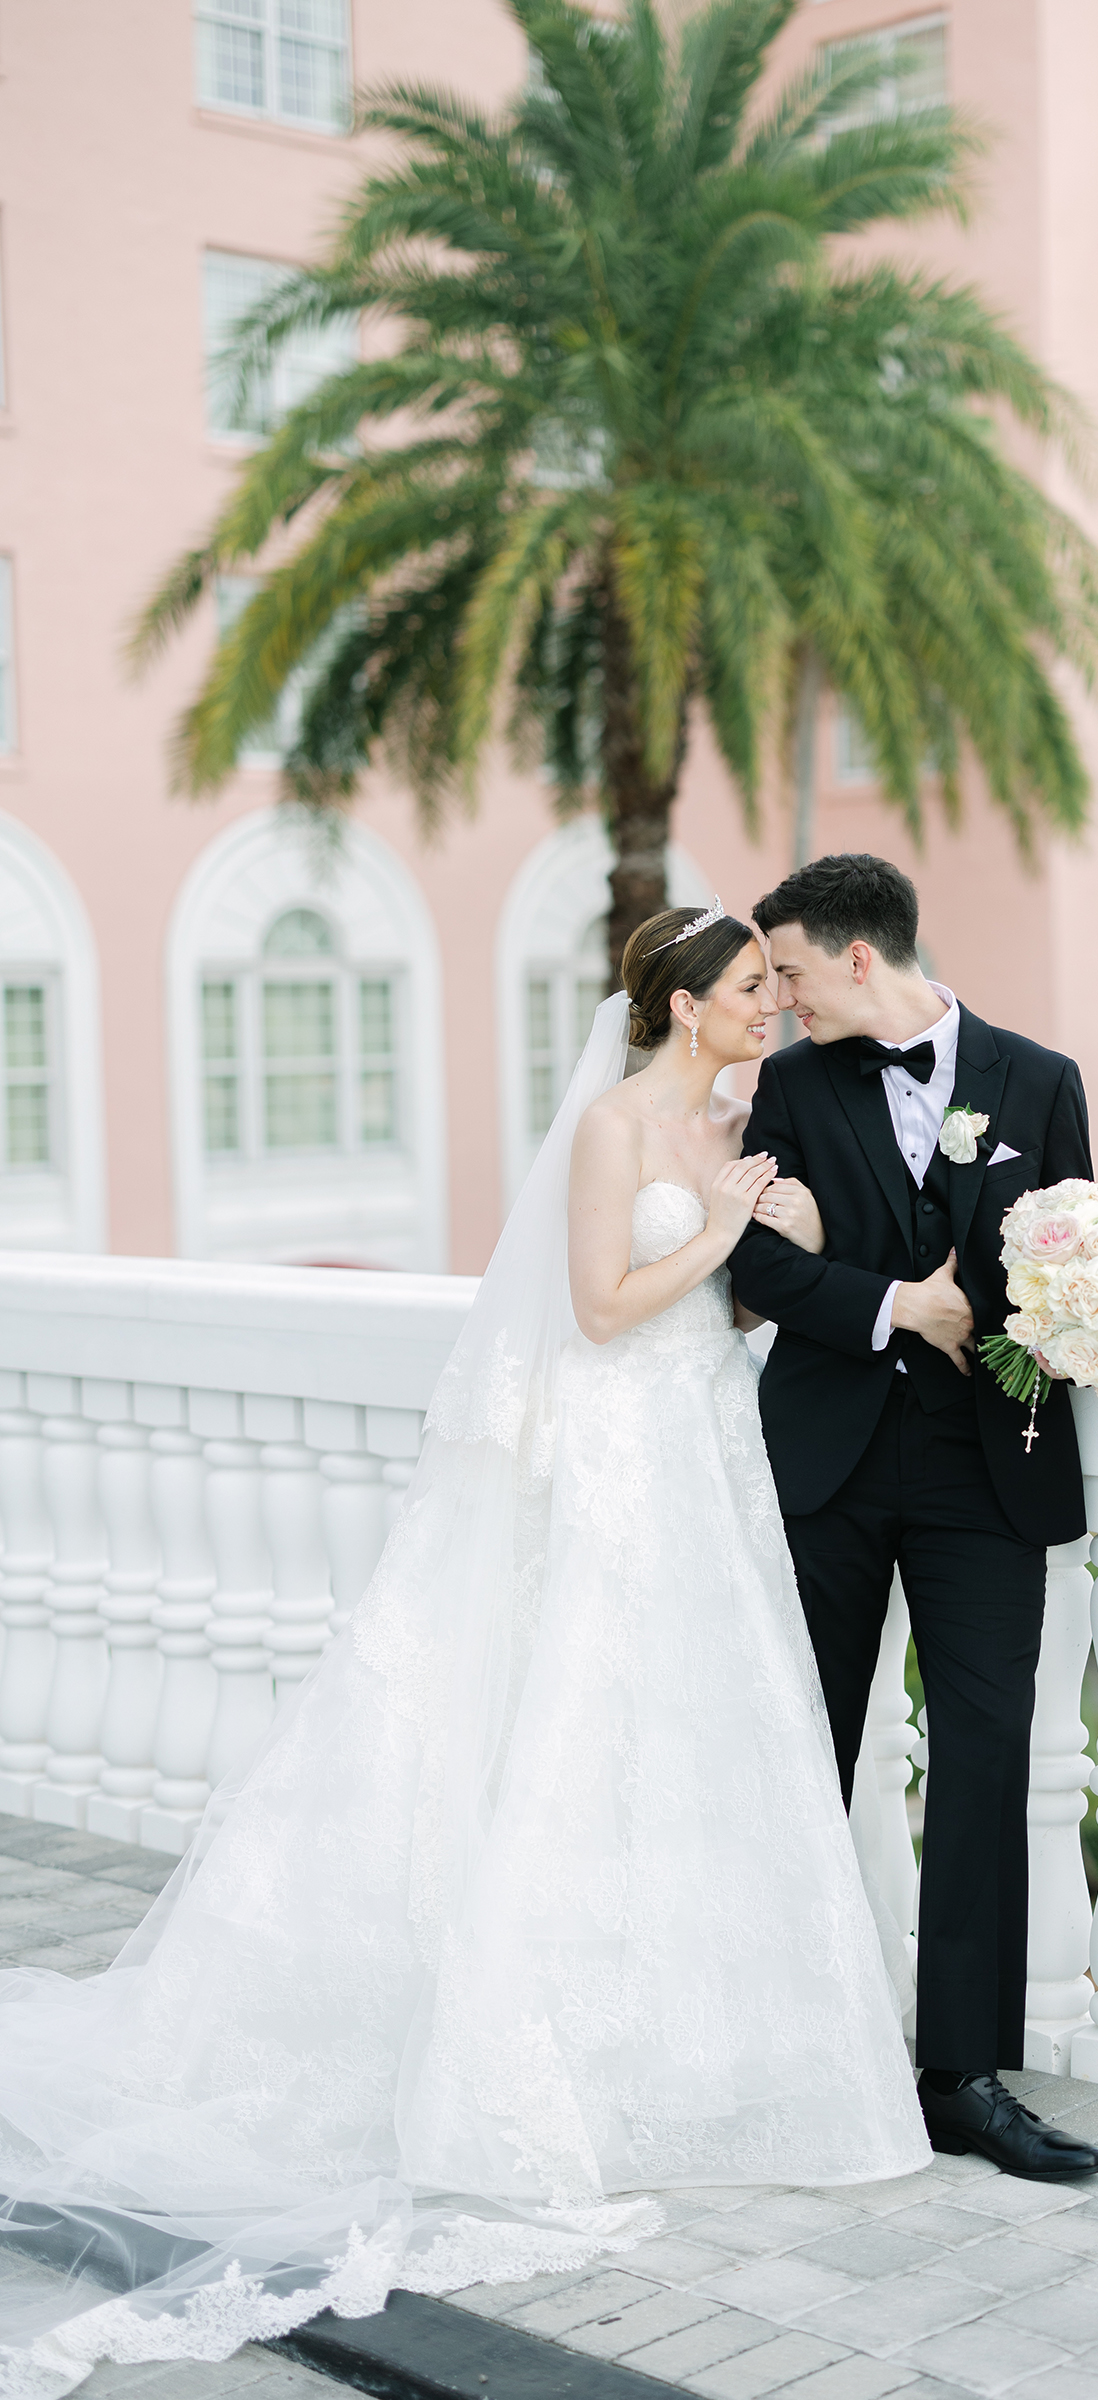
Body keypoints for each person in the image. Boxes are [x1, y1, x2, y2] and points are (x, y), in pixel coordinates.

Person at [0, 903, 929, 2392]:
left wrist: (787, 1232)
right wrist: (722, 1233)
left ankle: (691, 2061)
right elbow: (605, 1308)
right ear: (684, 1007)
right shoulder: (619, 1133)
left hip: (708, 1458)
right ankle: (545, 2065)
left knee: (697, 1752)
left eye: (776, 984)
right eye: (755, 987)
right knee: (584, 1736)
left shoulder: (744, 1119)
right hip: (625, 1454)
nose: (776, 1004)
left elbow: (742, 1289)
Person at [732, 854, 1098, 2183]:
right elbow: (757, 1261)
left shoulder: (1038, 1081)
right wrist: (902, 1305)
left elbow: (1075, 1260)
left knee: (986, 1760)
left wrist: (1048, 1320)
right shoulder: (787, 1088)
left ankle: (963, 2076)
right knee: (801, 1756)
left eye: (784, 972)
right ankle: (788, 2044)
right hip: (828, 1465)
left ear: (854, 956)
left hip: (987, 1466)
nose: (773, 1000)